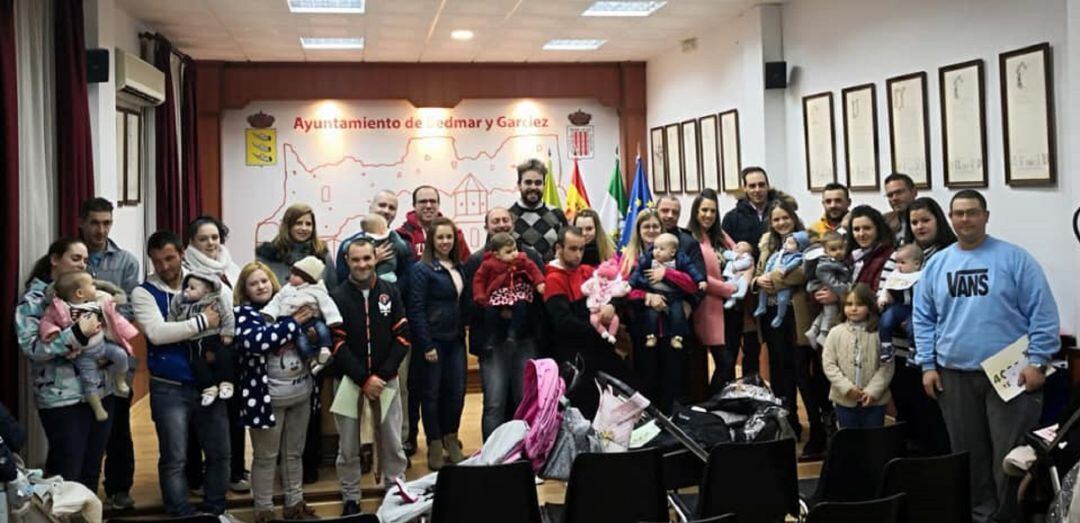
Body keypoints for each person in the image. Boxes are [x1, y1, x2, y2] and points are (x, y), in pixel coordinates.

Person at [915, 190, 1059, 523]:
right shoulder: (937, 264)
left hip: (1011, 377)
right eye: (959, 214)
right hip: (954, 376)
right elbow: (923, 318)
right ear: (950, 218)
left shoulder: (1014, 259)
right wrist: (927, 365)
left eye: (972, 212)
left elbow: (1043, 313)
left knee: (1008, 458)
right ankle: (981, 516)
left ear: (986, 216)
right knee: (970, 456)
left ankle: (1009, 517)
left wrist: (1038, 361)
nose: (965, 219)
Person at [130, 231, 232, 517]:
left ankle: (216, 511)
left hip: (207, 383)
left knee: (220, 453)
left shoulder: (209, 282)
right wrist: (202, 321)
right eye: (157, 261)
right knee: (174, 458)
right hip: (169, 387)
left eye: (170, 258)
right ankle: (181, 515)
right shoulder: (143, 292)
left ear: (182, 254)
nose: (164, 267)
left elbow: (225, 319)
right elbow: (158, 333)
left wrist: (216, 330)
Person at [16, 238, 115, 489]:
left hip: (101, 391)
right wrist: (76, 336)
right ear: (55, 259)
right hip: (62, 398)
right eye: (75, 258)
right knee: (67, 473)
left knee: (92, 470)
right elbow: (32, 348)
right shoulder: (35, 300)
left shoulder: (91, 291)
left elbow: (112, 328)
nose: (82, 264)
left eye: (85, 260)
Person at [233, 262, 318, 523]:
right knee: (266, 457)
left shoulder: (289, 303)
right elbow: (257, 342)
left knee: (294, 454)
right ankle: (264, 510)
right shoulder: (243, 313)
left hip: (301, 393)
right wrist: (293, 324)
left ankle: (295, 504)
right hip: (265, 400)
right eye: (253, 283)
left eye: (264, 281)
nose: (261, 286)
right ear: (245, 290)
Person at [332, 237, 410, 516]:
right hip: (349, 384)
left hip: (386, 381)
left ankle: (394, 491)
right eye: (356, 259)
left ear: (375, 258)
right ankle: (351, 497)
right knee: (348, 446)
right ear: (347, 262)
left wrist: (381, 375)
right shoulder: (337, 297)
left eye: (367, 258)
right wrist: (363, 379)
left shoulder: (391, 291)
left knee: (392, 442)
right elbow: (336, 344)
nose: (362, 264)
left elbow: (402, 337)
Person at [77, 197, 140, 510]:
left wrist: (101, 337)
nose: (101, 230)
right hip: (79, 357)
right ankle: (80, 493)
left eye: (107, 223)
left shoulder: (127, 261)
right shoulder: (73, 256)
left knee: (118, 428)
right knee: (83, 427)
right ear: (82, 222)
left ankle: (119, 489)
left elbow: (126, 311)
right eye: (95, 223)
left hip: (115, 358)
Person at [461, 207, 545, 440]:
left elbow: (540, 298)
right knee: (494, 403)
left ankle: (526, 452)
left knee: (525, 399)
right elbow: (469, 303)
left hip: (525, 338)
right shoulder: (476, 261)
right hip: (492, 342)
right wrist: (497, 310)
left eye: (504, 220)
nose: (500, 224)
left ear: (513, 223)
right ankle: (492, 457)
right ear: (486, 226)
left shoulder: (531, 256)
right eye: (495, 221)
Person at [753, 200, 828, 459]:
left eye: (785, 218)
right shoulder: (766, 246)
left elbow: (803, 274)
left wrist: (770, 280)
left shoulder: (809, 242)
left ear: (793, 218)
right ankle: (790, 424)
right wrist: (756, 280)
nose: (781, 223)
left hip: (796, 318)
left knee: (801, 373)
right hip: (772, 316)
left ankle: (818, 430)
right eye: (776, 219)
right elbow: (758, 273)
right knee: (779, 372)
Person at [884, 197, 955, 457]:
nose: (920, 226)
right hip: (901, 348)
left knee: (933, 418)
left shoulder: (949, 252)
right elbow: (886, 285)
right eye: (914, 222)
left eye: (926, 220)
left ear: (938, 219)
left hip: (933, 350)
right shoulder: (903, 252)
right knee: (908, 412)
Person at [183, 216, 248, 492]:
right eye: (203, 238)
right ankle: (196, 476)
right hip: (201, 352)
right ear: (192, 242)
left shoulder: (230, 267)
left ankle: (235, 471)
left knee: (234, 414)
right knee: (201, 416)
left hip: (232, 353)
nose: (211, 243)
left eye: (214, 237)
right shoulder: (186, 272)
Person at [544, 226, 634, 418]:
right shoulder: (553, 279)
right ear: (558, 249)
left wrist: (613, 306)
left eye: (582, 249)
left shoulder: (587, 271)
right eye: (573, 249)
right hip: (577, 354)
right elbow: (563, 324)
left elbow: (620, 289)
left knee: (629, 388)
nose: (578, 254)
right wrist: (600, 331)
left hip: (599, 345)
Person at [617, 211, 698, 413]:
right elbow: (623, 291)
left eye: (655, 226)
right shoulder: (629, 258)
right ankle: (651, 421)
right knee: (647, 376)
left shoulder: (678, 257)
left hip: (672, 327)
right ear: (638, 230)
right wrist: (646, 297)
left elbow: (692, 285)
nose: (651, 231)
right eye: (647, 227)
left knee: (673, 376)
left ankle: (672, 421)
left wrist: (667, 273)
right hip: (644, 328)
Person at [407, 217, 468, 470]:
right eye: (440, 237)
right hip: (432, 342)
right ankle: (433, 442)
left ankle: (450, 438)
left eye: (449, 237)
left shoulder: (458, 266)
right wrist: (426, 344)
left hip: (455, 340)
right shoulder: (422, 269)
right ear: (432, 240)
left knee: (456, 392)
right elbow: (416, 309)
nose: (445, 241)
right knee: (430, 394)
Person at [39, 271, 137, 421]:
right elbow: (47, 322)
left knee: (121, 355)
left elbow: (114, 313)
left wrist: (125, 328)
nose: (95, 287)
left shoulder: (96, 303)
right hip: (83, 354)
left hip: (103, 346)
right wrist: (52, 333)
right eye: (92, 285)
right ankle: (98, 408)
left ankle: (120, 380)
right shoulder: (62, 310)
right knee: (88, 380)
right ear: (80, 293)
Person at [687, 190, 740, 387]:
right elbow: (696, 275)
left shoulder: (721, 235)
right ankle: (711, 403)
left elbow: (740, 257)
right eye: (704, 210)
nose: (708, 215)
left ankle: (724, 408)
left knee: (730, 363)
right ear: (695, 211)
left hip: (732, 308)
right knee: (724, 362)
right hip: (709, 308)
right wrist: (728, 289)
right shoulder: (690, 238)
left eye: (713, 211)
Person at [822, 284, 893, 428]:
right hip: (844, 400)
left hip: (875, 402)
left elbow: (887, 365)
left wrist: (872, 391)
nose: (853, 308)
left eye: (860, 304)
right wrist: (847, 388)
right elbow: (829, 364)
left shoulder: (881, 333)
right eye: (849, 304)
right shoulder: (835, 332)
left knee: (873, 441)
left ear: (870, 306)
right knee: (850, 442)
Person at [260, 255, 343, 373]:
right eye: (292, 273)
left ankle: (325, 348)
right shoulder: (286, 289)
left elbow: (327, 303)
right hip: (290, 321)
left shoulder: (316, 289)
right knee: (300, 341)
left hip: (312, 319)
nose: (291, 277)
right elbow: (276, 301)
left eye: (296, 275)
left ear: (307, 278)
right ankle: (311, 360)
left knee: (322, 328)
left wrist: (333, 318)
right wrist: (269, 313)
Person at [629, 233, 707, 349]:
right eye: (655, 248)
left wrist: (700, 280)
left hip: (674, 295)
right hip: (654, 293)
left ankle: (677, 337)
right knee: (651, 314)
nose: (657, 251)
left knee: (677, 314)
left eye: (661, 249)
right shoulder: (648, 259)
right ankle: (650, 335)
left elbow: (692, 271)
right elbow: (637, 273)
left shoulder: (680, 260)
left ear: (672, 252)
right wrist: (631, 284)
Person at [170, 271, 237, 406]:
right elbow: (173, 317)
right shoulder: (180, 302)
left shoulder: (216, 300)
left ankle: (226, 383)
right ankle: (209, 388)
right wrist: (172, 329)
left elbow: (228, 315)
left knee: (224, 355)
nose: (187, 290)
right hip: (192, 341)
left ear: (207, 290)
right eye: (187, 287)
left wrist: (227, 333)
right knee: (196, 363)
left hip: (214, 336)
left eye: (192, 288)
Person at [471, 232, 546, 347]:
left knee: (521, 306)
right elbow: (479, 280)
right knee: (490, 311)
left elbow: (534, 270)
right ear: (496, 254)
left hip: (517, 292)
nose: (513, 254)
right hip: (498, 294)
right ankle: (492, 336)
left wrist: (540, 283)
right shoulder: (488, 264)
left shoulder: (522, 259)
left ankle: (513, 333)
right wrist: (479, 295)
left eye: (515, 249)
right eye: (508, 252)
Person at [336, 191, 412, 285]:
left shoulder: (403, 245)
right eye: (382, 205)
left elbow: (406, 280)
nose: (386, 211)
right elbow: (342, 281)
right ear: (371, 208)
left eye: (392, 208)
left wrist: (389, 293)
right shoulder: (348, 245)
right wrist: (370, 261)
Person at [256, 203, 337, 290]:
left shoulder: (322, 254)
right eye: (298, 223)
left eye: (308, 224)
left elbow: (333, 290)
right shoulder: (267, 255)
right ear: (287, 225)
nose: (304, 228)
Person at [509, 159, 569, 261]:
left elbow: (567, 249)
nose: (533, 187)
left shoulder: (557, 215)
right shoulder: (507, 217)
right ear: (519, 185)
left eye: (538, 183)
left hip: (550, 275)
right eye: (528, 182)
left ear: (544, 185)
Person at [396, 185, 472, 263]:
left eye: (432, 201)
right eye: (423, 201)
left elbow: (467, 266)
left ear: (438, 204)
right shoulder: (401, 235)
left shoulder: (455, 234)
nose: (428, 206)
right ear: (414, 205)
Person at [877, 244, 923, 362]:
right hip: (899, 306)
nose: (898, 266)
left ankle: (914, 351)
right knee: (885, 320)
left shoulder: (922, 276)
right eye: (897, 262)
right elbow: (886, 287)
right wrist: (883, 299)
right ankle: (886, 346)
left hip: (915, 309)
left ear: (916, 264)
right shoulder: (895, 275)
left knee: (913, 327)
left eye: (902, 263)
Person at [753, 231, 809, 329]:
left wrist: (784, 270)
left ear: (799, 246)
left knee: (782, 298)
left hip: (788, 292)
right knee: (763, 291)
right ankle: (762, 306)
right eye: (786, 242)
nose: (786, 245)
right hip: (769, 282)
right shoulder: (777, 253)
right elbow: (769, 263)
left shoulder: (798, 256)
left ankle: (780, 316)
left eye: (791, 243)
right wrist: (762, 276)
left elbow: (796, 267)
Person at [805, 231, 851, 349]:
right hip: (823, 287)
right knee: (831, 308)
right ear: (826, 251)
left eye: (841, 248)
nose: (838, 252)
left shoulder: (837, 262)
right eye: (833, 249)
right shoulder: (825, 265)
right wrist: (844, 291)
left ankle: (814, 329)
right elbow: (833, 283)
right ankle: (824, 334)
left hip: (827, 288)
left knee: (825, 312)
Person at [846, 205, 896, 294]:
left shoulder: (888, 256)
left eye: (867, 228)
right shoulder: (850, 256)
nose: (861, 234)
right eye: (856, 229)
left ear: (878, 229)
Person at [882, 173, 918, 245]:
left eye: (899, 192)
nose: (894, 198)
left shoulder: (928, 218)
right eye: (890, 195)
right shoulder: (885, 221)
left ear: (914, 192)